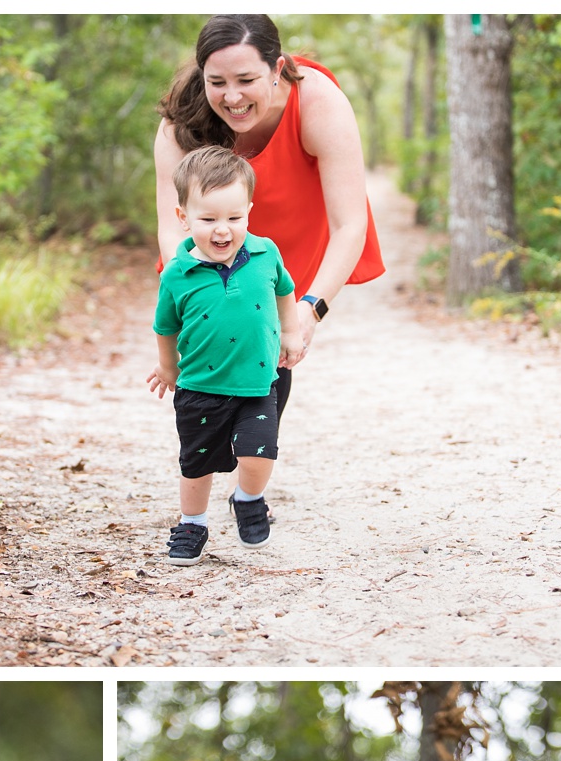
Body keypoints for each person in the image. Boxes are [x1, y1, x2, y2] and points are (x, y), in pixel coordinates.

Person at [148, 14, 385, 545]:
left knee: (273, 363)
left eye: (246, 81)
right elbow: (173, 227)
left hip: (291, 235)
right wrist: (195, 289)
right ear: (202, 76)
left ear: (277, 69)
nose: (231, 97)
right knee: (213, 375)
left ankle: (250, 476)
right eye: (217, 83)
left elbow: (350, 223)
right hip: (213, 239)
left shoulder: (318, 101)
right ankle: (210, 484)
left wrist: (310, 309)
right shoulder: (179, 126)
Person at [147, 147, 296, 564]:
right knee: (197, 465)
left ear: (249, 210)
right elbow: (166, 327)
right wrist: (167, 367)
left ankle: (249, 498)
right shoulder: (177, 273)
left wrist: (292, 332)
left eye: (234, 218)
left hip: (258, 381)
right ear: (183, 218)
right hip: (199, 387)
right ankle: (192, 523)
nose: (222, 230)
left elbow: (285, 292)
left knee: (259, 452)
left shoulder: (266, 253)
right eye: (208, 219)